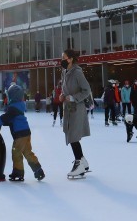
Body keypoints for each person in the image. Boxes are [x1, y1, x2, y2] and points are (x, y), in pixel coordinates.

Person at [0, 83, 44, 182]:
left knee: (16, 153)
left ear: (12, 97)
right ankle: (38, 170)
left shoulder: (13, 108)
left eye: (8, 96)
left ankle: (18, 173)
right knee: (28, 153)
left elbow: (5, 118)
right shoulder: (19, 106)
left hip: (20, 135)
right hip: (26, 132)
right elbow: (11, 120)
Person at [60, 49, 92, 179]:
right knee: (71, 134)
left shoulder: (77, 72)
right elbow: (66, 89)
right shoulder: (65, 72)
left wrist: (74, 97)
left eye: (64, 57)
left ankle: (79, 164)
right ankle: (82, 161)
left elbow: (86, 90)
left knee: (73, 135)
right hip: (68, 108)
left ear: (70, 59)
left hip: (77, 108)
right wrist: (63, 95)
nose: (62, 60)